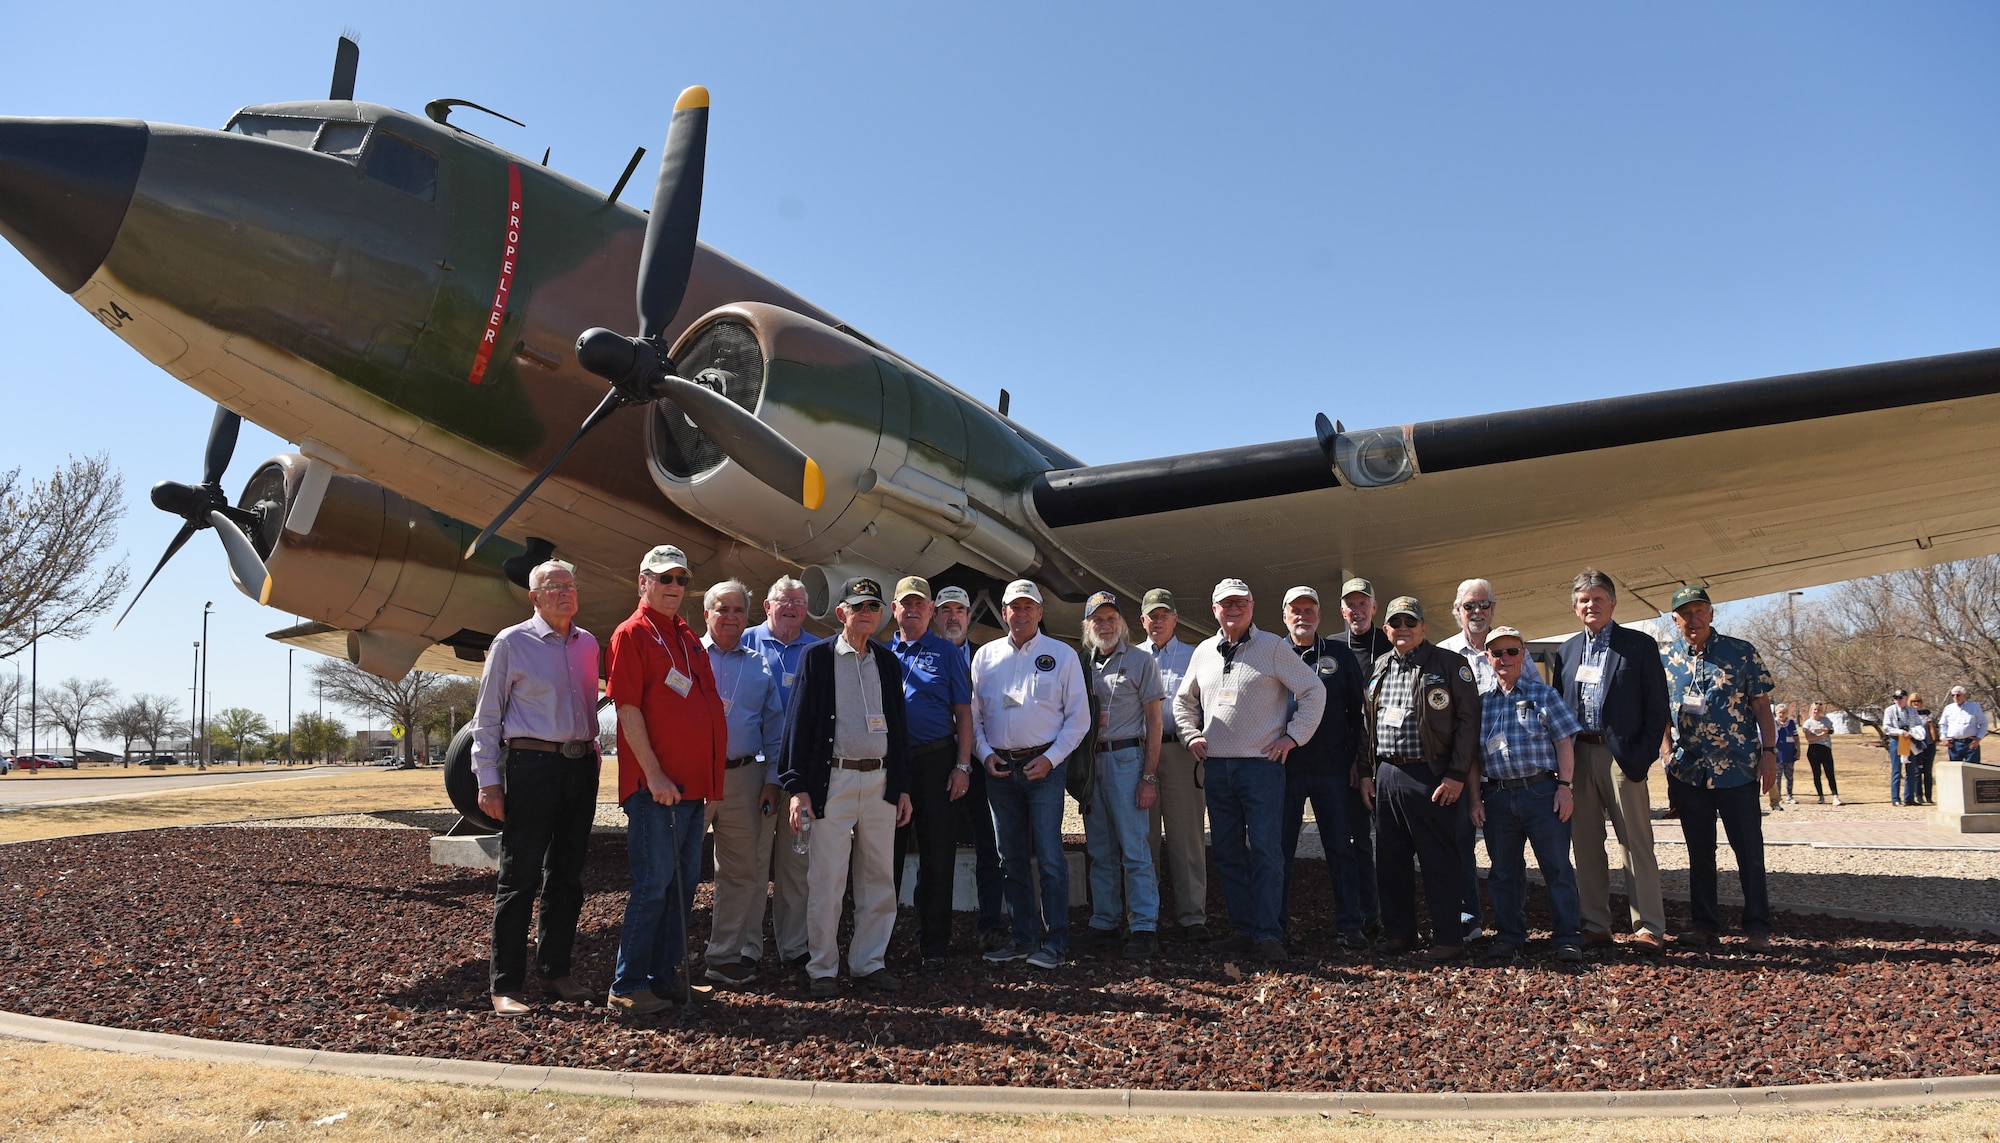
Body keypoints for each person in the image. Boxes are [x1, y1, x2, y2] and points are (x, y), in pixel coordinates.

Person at [469, 560, 603, 1015]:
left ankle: (555, 972)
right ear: (534, 596)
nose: (565, 593)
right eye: (554, 587)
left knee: (567, 878)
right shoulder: (511, 642)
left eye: (571, 584)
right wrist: (488, 780)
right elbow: (486, 719)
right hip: (531, 767)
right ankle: (505, 984)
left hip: (581, 768)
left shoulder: (588, 645)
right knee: (519, 878)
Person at [1174, 578, 1326, 964]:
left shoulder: (1273, 647)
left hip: (1261, 767)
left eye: (1241, 602)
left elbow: (1313, 690)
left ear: (1253, 606)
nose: (1234, 609)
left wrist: (1293, 738)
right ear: (1215, 610)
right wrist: (1190, 734)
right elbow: (1183, 700)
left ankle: (1268, 933)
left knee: (1265, 850)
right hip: (1217, 767)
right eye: (1226, 604)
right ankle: (1243, 929)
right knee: (1225, 852)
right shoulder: (1205, 651)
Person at [606, 545, 727, 1014]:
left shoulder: (685, 635)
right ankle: (628, 985)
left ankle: (664, 976)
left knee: (683, 885)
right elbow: (628, 708)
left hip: (692, 789)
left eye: (681, 578)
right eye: (664, 578)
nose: (674, 586)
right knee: (654, 883)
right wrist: (654, 773)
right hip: (657, 789)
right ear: (643, 582)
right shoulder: (632, 633)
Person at [779, 576, 914, 997]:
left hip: (879, 782)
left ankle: (869, 962)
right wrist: (798, 787)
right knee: (827, 879)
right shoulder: (817, 658)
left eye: (873, 606)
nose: (867, 613)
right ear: (841, 613)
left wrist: (902, 786)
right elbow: (798, 724)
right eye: (858, 607)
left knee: (879, 878)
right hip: (832, 781)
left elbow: (898, 729)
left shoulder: (887, 662)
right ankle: (822, 968)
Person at [972, 579, 1090, 969]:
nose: (1020, 614)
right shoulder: (985, 657)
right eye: (1013, 607)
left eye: (1028, 607)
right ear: (1003, 612)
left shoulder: (1063, 655)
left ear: (1040, 612)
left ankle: (1055, 942)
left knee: (1051, 858)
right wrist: (985, 754)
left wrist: (1052, 759)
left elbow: (1079, 719)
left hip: (1044, 769)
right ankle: (1022, 938)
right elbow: (973, 719)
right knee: (1011, 858)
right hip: (999, 770)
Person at [1552, 568, 1670, 955]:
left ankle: (1648, 926)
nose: (1592, 605)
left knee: (1636, 843)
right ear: (1575, 607)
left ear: (1613, 604)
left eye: (1599, 599)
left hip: (1623, 757)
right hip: (1578, 756)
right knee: (1585, 844)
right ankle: (1595, 925)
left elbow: (1657, 710)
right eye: (1584, 600)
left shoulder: (1638, 645)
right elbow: (1557, 710)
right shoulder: (1566, 652)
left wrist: (1642, 755)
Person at [1360, 596, 1481, 961]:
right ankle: (1400, 934)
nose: (1403, 629)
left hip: (1431, 775)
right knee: (1391, 860)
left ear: (1425, 628)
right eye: (1396, 623)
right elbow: (1366, 725)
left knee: (1438, 860)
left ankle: (1447, 938)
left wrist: (1457, 774)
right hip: (1388, 775)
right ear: (1386, 629)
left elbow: (1468, 723)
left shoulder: (1449, 665)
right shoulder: (1378, 667)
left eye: (1411, 623)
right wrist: (1367, 773)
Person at [1660, 585, 1777, 950]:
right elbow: (1659, 713)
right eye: (1685, 613)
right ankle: (1705, 925)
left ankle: (1757, 926)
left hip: (1737, 769)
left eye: (1700, 611)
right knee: (1700, 853)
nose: (1693, 619)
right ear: (1675, 619)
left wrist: (1770, 753)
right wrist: (1666, 754)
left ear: (1711, 614)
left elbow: (1761, 707)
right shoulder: (1665, 658)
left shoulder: (1740, 652)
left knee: (1749, 851)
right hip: (1689, 771)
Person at [1471, 625, 1584, 962]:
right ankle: (1509, 937)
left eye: (1512, 651)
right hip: (1498, 797)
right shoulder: (1480, 704)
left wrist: (1565, 787)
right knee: (1503, 873)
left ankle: (1567, 938)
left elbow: (1564, 741)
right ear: (1488, 658)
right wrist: (1475, 799)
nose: (1505, 658)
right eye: (1497, 652)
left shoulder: (1544, 695)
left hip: (1542, 792)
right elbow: (1473, 758)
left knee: (1557, 869)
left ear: (1523, 655)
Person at [699, 579, 789, 987]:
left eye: (738, 610)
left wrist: (772, 780)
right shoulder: (688, 657)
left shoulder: (759, 665)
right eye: (723, 608)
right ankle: (661, 959)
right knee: (674, 869)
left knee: (740, 873)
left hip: (744, 777)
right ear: (707, 614)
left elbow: (774, 727)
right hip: (693, 779)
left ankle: (724, 957)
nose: (731, 616)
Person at [1274, 586, 1369, 951]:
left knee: (1340, 849)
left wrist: (1359, 764)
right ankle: (1276, 924)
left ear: (1319, 615)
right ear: (1284, 615)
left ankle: (1350, 924)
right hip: (1284, 768)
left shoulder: (1339, 655)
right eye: (1295, 610)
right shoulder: (1273, 653)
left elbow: (1358, 715)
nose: (1303, 616)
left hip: (1333, 769)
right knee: (1280, 849)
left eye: (1309, 609)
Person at [887, 576, 974, 971]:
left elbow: (964, 714)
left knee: (937, 856)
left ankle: (934, 944)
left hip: (937, 762)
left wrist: (962, 766)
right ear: (895, 609)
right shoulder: (880, 653)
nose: (913, 609)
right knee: (884, 856)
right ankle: (879, 944)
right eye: (906, 603)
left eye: (920, 603)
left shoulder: (947, 653)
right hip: (892, 765)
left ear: (931, 610)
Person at [1076, 591, 1167, 959]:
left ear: (1122, 623)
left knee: (1134, 848)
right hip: (1091, 763)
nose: (1105, 625)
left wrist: (1149, 776)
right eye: (1098, 619)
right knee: (1100, 849)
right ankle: (1105, 921)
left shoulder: (1141, 661)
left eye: (1111, 618)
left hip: (1127, 758)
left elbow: (1155, 722)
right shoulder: (1082, 664)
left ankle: (1144, 926)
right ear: (1087, 626)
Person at [739, 576, 820, 969]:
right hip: (755, 772)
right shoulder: (745, 642)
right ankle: (746, 947)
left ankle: (795, 946)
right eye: (783, 601)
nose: (791, 607)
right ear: (767, 606)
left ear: (807, 609)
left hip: (800, 775)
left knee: (797, 863)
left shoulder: (819, 651)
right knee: (751, 862)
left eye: (799, 602)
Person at [1131, 587, 1209, 942]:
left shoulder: (1196, 657)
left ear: (1175, 619)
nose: (1158, 621)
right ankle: (1146, 918)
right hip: (1139, 754)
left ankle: (1193, 917)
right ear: (1142, 620)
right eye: (1152, 615)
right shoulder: (1130, 658)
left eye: (1164, 614)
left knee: (1187, 837)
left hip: (1179, 753)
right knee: (1142, 839)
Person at [933, 585, 1008, 952]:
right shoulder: (924, 655)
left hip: (980, 763)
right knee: (934, 845)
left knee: (988, 845)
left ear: (968, 616)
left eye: (959, 611)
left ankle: (990, 923)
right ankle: (930, 931)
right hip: (934, 761)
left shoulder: (988, 659)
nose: (952, 617)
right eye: (945, 611)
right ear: (935, 616)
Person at [1435, 578, 1499, 943]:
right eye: (1469, 606)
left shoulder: (1505, 649)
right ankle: (1468, 918)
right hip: (1459, 768)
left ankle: (1511, 922)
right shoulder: (1443, 654)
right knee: (1460, 844)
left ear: (1494, 609)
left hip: (1502, 767)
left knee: (1505, 850)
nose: (1477, 612)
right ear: (1456, 611)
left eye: (1484, 605)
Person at [1328, 576, 1390, 935]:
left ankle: (1399, 916)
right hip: (1350, 764)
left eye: (1363, 603)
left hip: (1392, 761)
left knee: (1394, 843)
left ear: (1374, 607)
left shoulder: (1390, 644)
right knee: (1357, 843)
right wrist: (1355, 761)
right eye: (1350, 604)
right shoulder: (1332, 648)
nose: (1357, 610)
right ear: (1342, 610)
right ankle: (1367, 912)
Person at [1882, 689, 1922, 807]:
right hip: (1896, 741)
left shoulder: (1912, 711)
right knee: (1896, 770)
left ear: (1906, 698)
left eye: (1900, 698)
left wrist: (1913, 732)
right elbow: (1887, 727)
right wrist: (1901, 732)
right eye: (1896, 698)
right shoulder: (1890, 710)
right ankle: (1895, 798)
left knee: (1911, 769)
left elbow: (1918, 724)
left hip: (1910, 740)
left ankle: (1909, 798)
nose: (1898, 700)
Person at [1801, 701, 1841, 805]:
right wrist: (1822, 734)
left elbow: (1830, 731)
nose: (1816, 711)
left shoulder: (1826, 720)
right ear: (1811, 710)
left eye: (1818, 710)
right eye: (1814, 709)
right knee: (1816, 773)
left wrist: (1820, 731)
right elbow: (1809, 738)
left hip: (1825, 749)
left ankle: (1835, 796)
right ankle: (1820, 796)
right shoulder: (1808, 723)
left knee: (1830, 773)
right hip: (1813, 750)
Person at [1940, 685, 1988, 766]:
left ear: (1965, 695)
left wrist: (1978, 738)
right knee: (1955, 770)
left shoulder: (1974, 707)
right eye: (1953, 695)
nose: (1955, 697)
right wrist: (1943, 738)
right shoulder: (1948, 708)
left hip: (1970, 743)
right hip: (1954, 744)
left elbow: (1984, 723)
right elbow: (1943, 724)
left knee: (1972, 770)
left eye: (1958, 695)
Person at [1908, 692, 1938, 807]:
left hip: (1929, 745)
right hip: (1915, 746)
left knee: (1928, 771)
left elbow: (1936, 727)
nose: (1916, 703)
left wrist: (1931, 722)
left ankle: (1929, 797)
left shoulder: (1927, 713)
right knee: (1917, 772)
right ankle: (1918, 796)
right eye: (1913, 701)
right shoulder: (1909, 714)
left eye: (1918, 701)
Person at [1772, 703, 1800, 809]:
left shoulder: (1791, 723)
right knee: (1777, 777)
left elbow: (1796, 738)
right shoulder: (1774, 723)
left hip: (1789, 753)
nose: (1782, 715)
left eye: (1784, 713)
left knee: (1789, 776)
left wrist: (1798, 750)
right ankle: (1778, 797)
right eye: (1780, 713)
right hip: (1777, 754)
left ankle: (1789, 796)